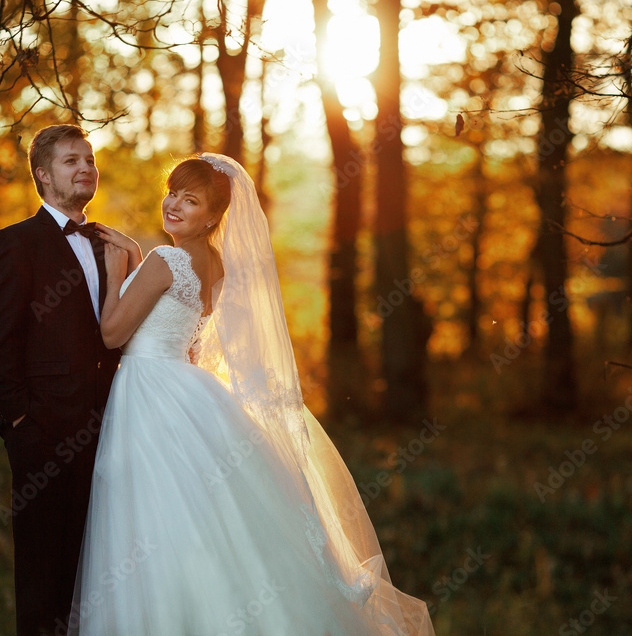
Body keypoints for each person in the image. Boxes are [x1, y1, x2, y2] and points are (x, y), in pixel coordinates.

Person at [67, 153, 434, 634]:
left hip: (148, 390)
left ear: (214, 217)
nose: (174, 203)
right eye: (173, 191)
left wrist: (118, 271)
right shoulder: (215, 264)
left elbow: (114, 335)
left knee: (152, 515)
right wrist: (139, 257)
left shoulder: (164, 259)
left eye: (191, 199)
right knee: (199, 518)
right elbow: (185, 330)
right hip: (185, 386)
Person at [0, 124, 141, 635]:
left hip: (111, 432)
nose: (85, 168)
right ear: (43, 175)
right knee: (43, 580)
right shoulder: (16, 243)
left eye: (90, 160)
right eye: (72, 160)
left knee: (100, 575)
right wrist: (21, 422)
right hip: (44, 434)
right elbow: (1, 341)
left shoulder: (111, 244)